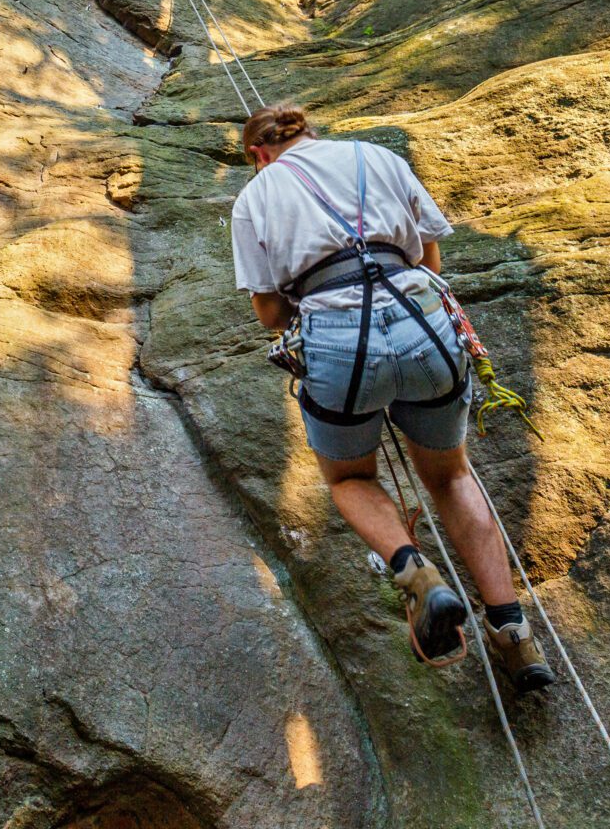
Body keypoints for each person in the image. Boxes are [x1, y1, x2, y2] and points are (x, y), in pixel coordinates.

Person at [231, 105, 554, 692]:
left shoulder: (254, 198)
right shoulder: (378, 157)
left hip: (336, 341)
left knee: (350, 479)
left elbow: (271, 315)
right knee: (453, 477)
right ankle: (514, 634)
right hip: (424, 321)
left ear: (258, 154)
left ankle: (416, 574)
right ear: (312, 132)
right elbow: (430, 262)